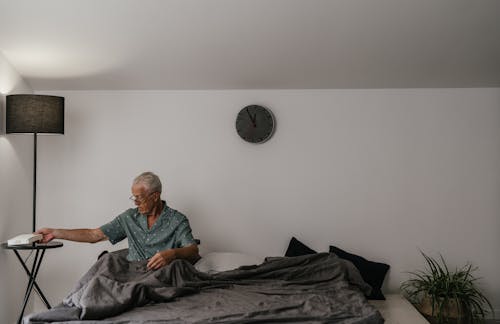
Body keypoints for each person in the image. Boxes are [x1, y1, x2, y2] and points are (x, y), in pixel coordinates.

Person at [36, 171, 199, 270]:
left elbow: (193, 251)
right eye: (133, 198)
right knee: (103, 269)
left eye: (139, 198)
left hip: (162, 274)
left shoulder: (177, 220)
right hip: (132, 273)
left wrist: (172, 254)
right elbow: (94, 235)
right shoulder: (129, 217)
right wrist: (55, 232)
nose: (135, 203)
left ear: (155, 196)